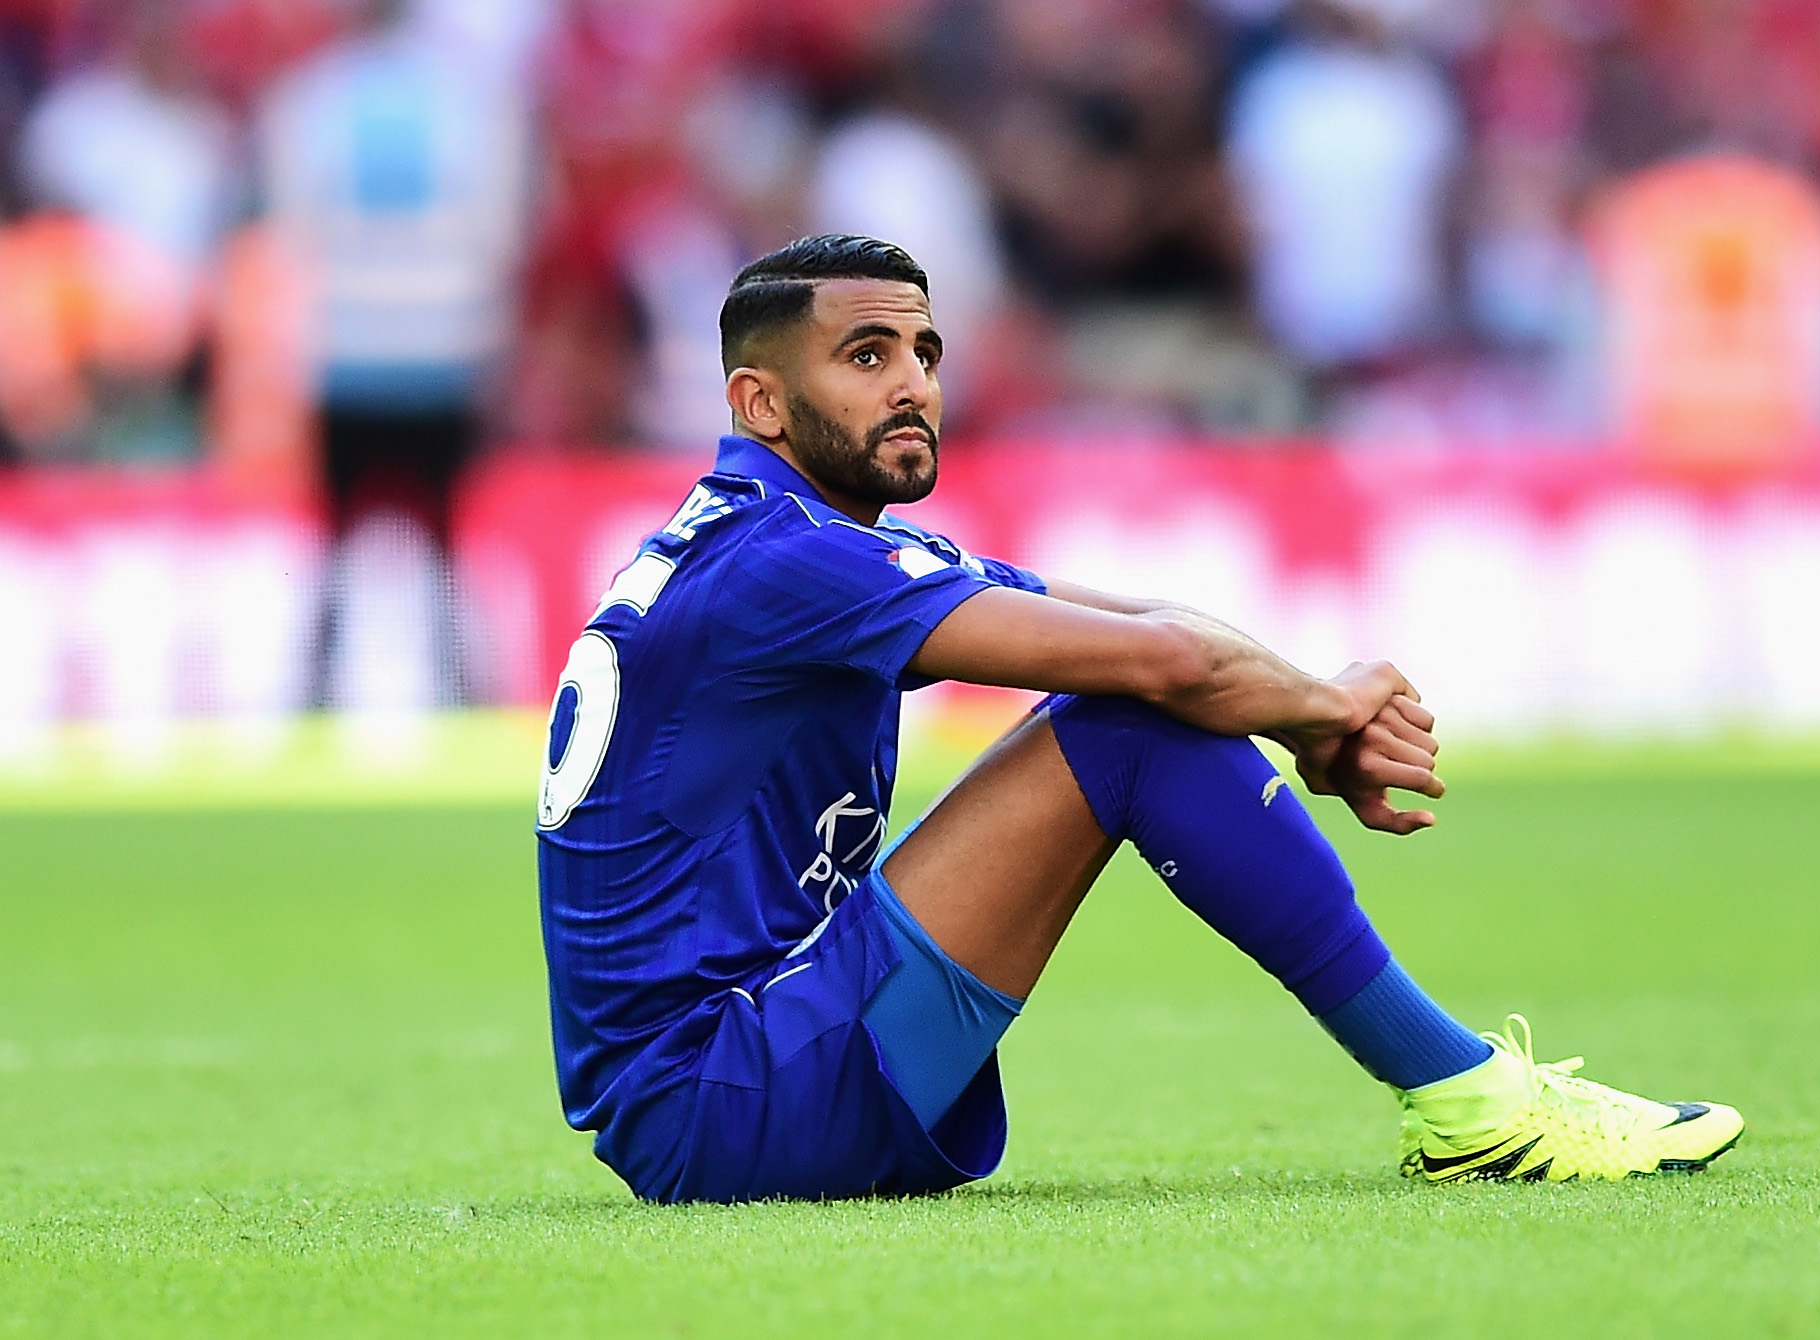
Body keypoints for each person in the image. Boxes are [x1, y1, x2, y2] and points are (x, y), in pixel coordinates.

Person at [534, 235, 1744, 1203]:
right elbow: (1160, 664)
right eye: (864, 356)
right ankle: (1471, 1101)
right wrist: (1320, 712)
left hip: (746, 1065)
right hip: (725, 1095)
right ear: (760, 401)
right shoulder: (785, 565)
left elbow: (1150, 618)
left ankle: (1467, 1095)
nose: (912, 384)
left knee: (1140, 702)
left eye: (923, 348)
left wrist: (1298, 706)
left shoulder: (797, 540)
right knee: (1128, 727)